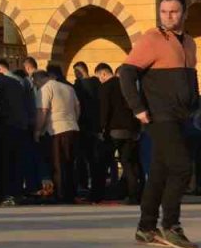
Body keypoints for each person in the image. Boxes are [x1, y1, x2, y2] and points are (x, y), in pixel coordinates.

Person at [118, 0, 200, 248]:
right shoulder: (152, 39)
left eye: (174, 12)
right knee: (182, 167)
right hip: (159, 116)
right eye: (164, 11)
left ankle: (146, 227)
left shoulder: (190, 42)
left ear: (184, 13)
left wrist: (194, 104)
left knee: (159, 172)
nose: (168, 16)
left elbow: (189, 79)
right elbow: (127, 73)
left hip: (181, 116)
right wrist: (138, 108)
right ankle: (171, 225)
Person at [97, 63, 143, 204]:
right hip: (131, 129)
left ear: (103, 74)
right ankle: (135, 194)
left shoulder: (106, 87)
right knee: (129, 163)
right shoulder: (127, 86)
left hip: (114, 130)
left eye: (99, 77)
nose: (100, 80)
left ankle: (99, 193)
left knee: (103, 162)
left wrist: (102, 128)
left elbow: (105, 109)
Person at [34, 67, 79, 204]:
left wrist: (37, 130)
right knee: (70, 163)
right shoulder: (68, 88)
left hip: (56, 130)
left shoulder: (45, 89)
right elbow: (78, 108)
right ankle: (71, 193)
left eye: (35, 83)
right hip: (72, 128)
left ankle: (60, 195)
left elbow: (42, 111)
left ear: (38, 79)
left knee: (57, 164)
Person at [0, 58, 33, 205]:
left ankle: (4, 192)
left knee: (4, 161)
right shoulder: (19, 82)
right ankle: (16, 192)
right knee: (17, 161)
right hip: (21, 125)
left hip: (5, 126)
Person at [72, 62, 104, 200]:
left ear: (79, 71)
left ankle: (85, 186)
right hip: (97, 127)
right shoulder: (98, 85)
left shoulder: (79, 87)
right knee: (97, 161)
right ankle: (98, 189)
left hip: (84, 127)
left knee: (84, 160)